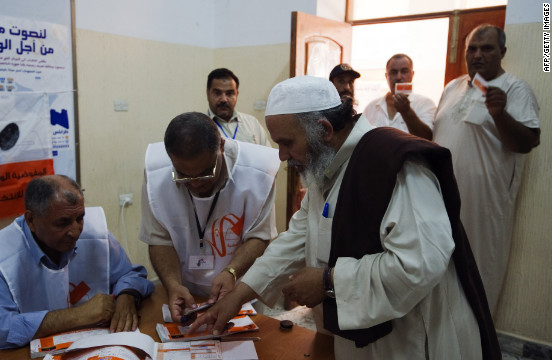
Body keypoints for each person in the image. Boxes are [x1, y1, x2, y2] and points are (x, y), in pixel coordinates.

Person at [189, 76, 500, 359]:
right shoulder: (328, 166)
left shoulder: (395, 165)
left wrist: (328, 280)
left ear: (324, 130)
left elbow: (419, 264)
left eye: (287, 142)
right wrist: (240, 294)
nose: (282, 155)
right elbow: (297, 238)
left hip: (414, 339)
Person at [0, 175, 154, 352]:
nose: (75, 232)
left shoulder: (93, 231)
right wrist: (76, 316)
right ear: (31, 220)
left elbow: (130, 274)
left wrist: (126, 296)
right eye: (62, 223)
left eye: (80, 218)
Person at [433, 24, 540, 313]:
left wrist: (500, 113)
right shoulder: (452, 87)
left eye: (487, 48)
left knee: (479, 272)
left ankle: (478, 346)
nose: (478, 55)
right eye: (472, 49)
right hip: (441, 199)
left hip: (484, 205)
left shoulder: (515, 89)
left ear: (502, 52)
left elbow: (528, 142)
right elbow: (437, 135)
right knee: (440, 270)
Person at [139, 112, 279, 323]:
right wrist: (173, 285)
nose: (195, 183)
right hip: (185, 290)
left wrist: (231, 272)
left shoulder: (258, 171)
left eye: (205, 172)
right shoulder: (156, 172)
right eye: (184, 175)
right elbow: (160, 239)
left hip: (239, 288)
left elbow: (258, 236)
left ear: (221, 146)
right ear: (170, 158)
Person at [363, 54, 435, 140]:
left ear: (412, 74)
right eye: (393, 72)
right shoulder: (371, 107)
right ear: (386, 76)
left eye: (404, 71)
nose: (398, 77)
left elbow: (427, 139)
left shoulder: (425, 104)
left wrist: (407, 112)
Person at [206, 68, 271, 146]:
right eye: (217, 93)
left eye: (229, 93)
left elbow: (266, 154)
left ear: (237, 94)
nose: (224, 99)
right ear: (208, 93)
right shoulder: (199, 128)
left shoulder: (252, 124)